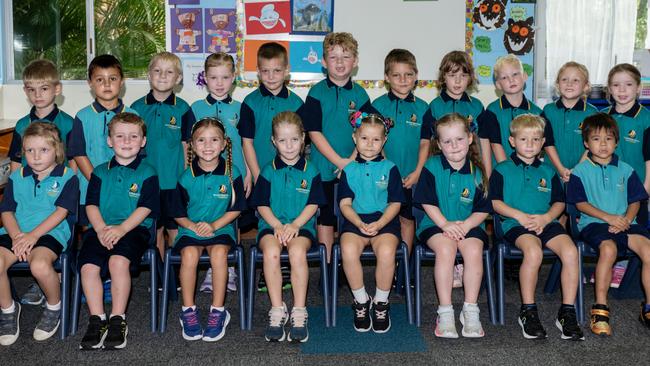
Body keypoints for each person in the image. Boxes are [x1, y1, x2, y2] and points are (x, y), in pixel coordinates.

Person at [489, 114, 583, 341]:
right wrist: (519, 216)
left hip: (545, 221)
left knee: (571, 251)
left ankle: (567, 312)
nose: (529, 144)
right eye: (523, 139)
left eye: (535, 139)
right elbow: (495, 202)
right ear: (512, 141)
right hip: (514, 223)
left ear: (543, 142)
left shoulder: (549, 171)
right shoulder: (501, 169)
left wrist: (546, 217)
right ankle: (528, 310)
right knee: (533, 251)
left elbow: (559, 202)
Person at [78, 113, 159, 350]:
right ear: (109, 141)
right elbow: (91, 204)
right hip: (101, 229)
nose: (126, 141)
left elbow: (146, 207)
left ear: (143, 141)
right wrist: (102, 228)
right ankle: (97, 320)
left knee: (117, 262)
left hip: (133, 230)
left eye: (133, 136)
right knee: (88, 267)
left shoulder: (148, 172)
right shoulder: (100, 172)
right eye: (120, 136)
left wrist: (122, 229)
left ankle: (117, 319)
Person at [567, 112, 650, 335]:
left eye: (608, 139)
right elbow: (581, 204)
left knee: (649, 252)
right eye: (596, 139)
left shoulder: (626, 170)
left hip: (625, 222)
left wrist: (626, 220)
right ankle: (600, 309)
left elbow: (636, 201)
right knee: (609, 249)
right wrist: (609, 218)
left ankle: (648, 308)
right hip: (594, 223)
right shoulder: (580, 171)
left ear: (616, 141)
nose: (603, 144)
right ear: (586, 142)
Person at [298, 32, 379, 260]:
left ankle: (345, 263)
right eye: (334, 57)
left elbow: (366, 131)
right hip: (324, 167)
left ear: (355, 61)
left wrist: (351, 161)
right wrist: (339, 162)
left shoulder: (360, 94)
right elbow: (313, 132)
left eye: (346, 56)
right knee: (326, 217)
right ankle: (328, 266)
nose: (340, 62)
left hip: (354, 167)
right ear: (324, 62)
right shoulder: (316, 93)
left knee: (349, 212)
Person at [0, 123, 78, 346]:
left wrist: (32, 236)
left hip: (50, 232)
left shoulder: (67, 176)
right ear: (23, 152)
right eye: (29, 150)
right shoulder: (16, 177)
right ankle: (8, 309)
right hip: (16, 232)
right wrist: (17, 236)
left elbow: (61, 213)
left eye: (43, 150)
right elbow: (6, 210)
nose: (35, 156)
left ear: (57, 151)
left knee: (40, 266)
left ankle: (54, 305)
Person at [250, 111, 325, 343]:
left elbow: (313, 204)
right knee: (271, 252)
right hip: (271, 226)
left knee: (296, 251)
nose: (289, 145)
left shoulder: (311, 171)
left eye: (294, 139)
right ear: (274, 141)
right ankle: (277, 309)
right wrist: (277, 226)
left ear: (303, 138)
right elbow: (261, 204)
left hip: (300, 227)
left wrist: (295, 225)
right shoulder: (267, 170)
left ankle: (299, 311)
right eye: (282, 140)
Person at [414, 113, 490, 338]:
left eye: (459, 139)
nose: (454, 145)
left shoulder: (478, 171)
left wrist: (465, 226)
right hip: (435, 223)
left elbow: (483, 210)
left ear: (469, 138)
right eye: (447, 141)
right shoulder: (431, 166)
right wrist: (445, 224)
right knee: (446, 249)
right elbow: (426, 203)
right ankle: (445, 312)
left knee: (474, 249)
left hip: (468, 224)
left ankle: (470, 309)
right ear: (439, 144)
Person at [170, 117, 245, 342]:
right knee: (190, 255)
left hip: (220, 228)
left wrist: (213, 225)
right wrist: (193, 226)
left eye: (214, 140)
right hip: (190, 229)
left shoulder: (233, 173)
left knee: (220, 254)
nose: (208, 145)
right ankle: (188, 311)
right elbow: (178, 213)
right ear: (192, 145)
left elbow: (237, 209)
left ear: (224, 144)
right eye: (201, 140)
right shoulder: (185, 176)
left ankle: (218, 311)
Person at [10, 59, 76, 306]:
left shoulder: (69, 123)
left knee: (52, 236)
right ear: (25, 91)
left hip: (57, 194)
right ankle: (41, 281)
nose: (37, 95)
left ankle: (55, 277)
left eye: (44, 88)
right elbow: (17, 167)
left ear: (57, 89)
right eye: (31, 89)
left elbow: (75, 162)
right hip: (30, 198)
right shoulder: (20, 126)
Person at [182, 52, 249, 294]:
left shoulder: (241, 108)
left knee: (233, 217)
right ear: (205, 79)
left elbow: (246, 144)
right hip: (203, 175)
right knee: (207, 214)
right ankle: (212, 268)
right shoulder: (195, 109)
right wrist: (187, 171)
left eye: (225, 77)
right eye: (213, 77)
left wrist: (249, 172)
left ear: (233, 78)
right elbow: (186, 144)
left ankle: (229, 267)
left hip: (234, 175)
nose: (219, 83)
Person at [338, 113, 404, 334]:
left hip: (384, 221)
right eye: (364, 138)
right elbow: (345, 204)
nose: (369, 144)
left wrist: (380, 223)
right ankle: (361, 301)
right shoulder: (347, 170)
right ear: (354, 138)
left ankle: (381, 303)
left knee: (386, 252)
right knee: (347, 250)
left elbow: (395, 203)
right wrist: (358, 223)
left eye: (376, 139)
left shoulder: (391, 168)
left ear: (384, 141)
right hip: (355, 222)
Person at [68, 54, 139, 226]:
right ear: (90, 83)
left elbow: (139, 156)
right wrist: (99, 183)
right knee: (92, 235)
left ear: (122, 81)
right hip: (90, 190)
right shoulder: (83, 116)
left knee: (123, 233)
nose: (107, 84)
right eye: (100, 79)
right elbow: (78, 153)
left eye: (112, 78)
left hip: (125, 190)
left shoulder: (133, 116)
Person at [131, 52, 189, 258]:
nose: (163, 76)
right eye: (157, 71)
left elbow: (186, 147)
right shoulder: (136, 108)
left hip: (173, 183)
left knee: (175, 230)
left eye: (169, 72)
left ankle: (175, 277)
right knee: (155, 231)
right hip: (148, 183)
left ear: (178, 78)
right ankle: (160, 280)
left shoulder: (183, 109)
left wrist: (186, 177)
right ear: (149, 75)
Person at [372, 49, 430, 253]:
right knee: (387, 219)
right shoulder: (377, 106)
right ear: (387, 78)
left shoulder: (424, 108)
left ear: (416, 76)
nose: (403, 80)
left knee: (407, 219)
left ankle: (405, 268)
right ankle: (390, 265)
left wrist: (417, 172)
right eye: (396, 75)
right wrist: (390, 171)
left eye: (408, 74)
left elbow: (426, 143)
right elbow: (375, 142)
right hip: (385, 176)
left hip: (412, 176)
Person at [424, 50, 491, 174]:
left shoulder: (477, 106)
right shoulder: (434, 106)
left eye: (463, 76)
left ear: (470, 78)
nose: (458, 81)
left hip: (472, 171)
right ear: (443, 77)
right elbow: (429, 143)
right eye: (452, 75)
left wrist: (487, 173)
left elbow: (485, 142)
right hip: (441, 171)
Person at [603, 63, 650, 226]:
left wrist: (645, 190)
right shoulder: (602, 117)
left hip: (635, 191)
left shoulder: (646, 119)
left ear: (638, 88)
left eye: (628, 85)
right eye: (616, 85)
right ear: (609, 88)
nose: (622, 90)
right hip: (605, 189)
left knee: (638, 239)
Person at [478, 54, 542, 168]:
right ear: (498, 85)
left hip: (530, 174)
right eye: (504, 77)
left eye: (515, 74)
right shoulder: (492, 111)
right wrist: (510, 172)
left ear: (525, 76)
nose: (511, 80)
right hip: (503, 173)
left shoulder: (537, 112)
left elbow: (538, 147)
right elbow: (495, 145)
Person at [542, 61, 598, 181]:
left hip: (583, 174)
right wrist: (561, 169)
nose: (569, 84)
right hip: (551, 173)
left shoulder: (592, 113)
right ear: (557, 84)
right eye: (564, 79)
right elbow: (547, 143)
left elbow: (592, 146)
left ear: (586, 86)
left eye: (576, 80)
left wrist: (577, 171)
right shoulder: (548, 110)